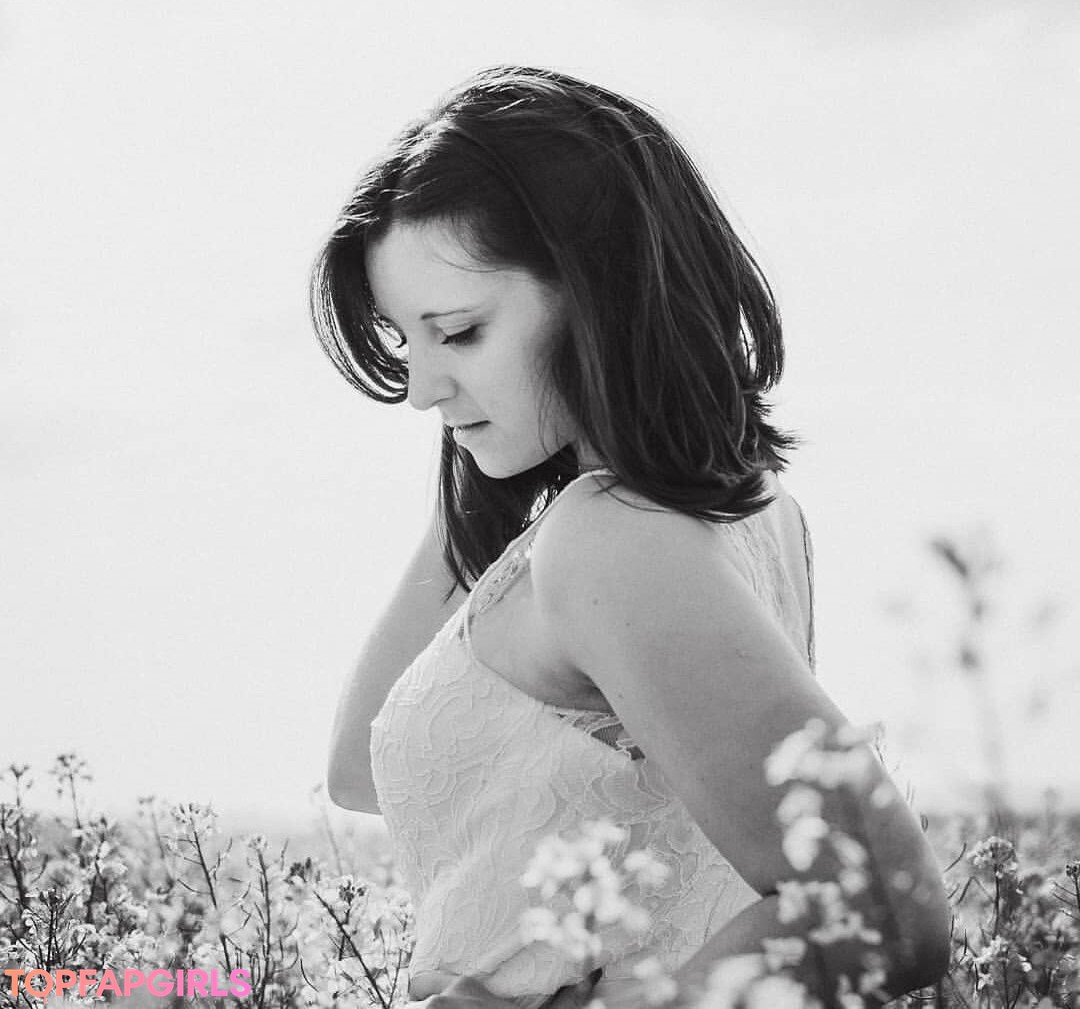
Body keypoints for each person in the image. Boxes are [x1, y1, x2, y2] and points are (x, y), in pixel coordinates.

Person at [311, 66, 951, 1009]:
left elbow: (886, 909)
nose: (420, 391)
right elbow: (359, 770)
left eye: (460, 331)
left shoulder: (610, 541)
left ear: (598, 294)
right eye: (409, 340)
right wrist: (481, 467)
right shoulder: (743, 510)